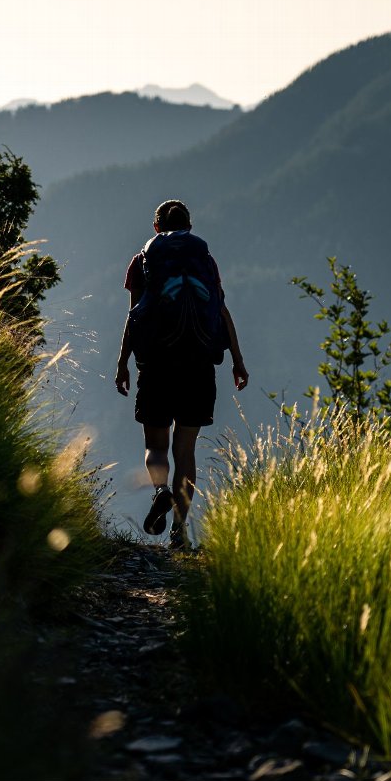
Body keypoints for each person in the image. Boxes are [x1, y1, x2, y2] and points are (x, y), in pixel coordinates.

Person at [114, 199, 249, 550]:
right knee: (185, 450)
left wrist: (122, 363)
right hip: (199, 366)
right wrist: (237, 360)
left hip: (156, 365)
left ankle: (160, 491)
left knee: (155, 446)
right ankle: (179, 529)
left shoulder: (143, 261)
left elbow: (134, 317)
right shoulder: (204, 260)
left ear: (156, 227)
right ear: (189, 226)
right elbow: (220, 310)